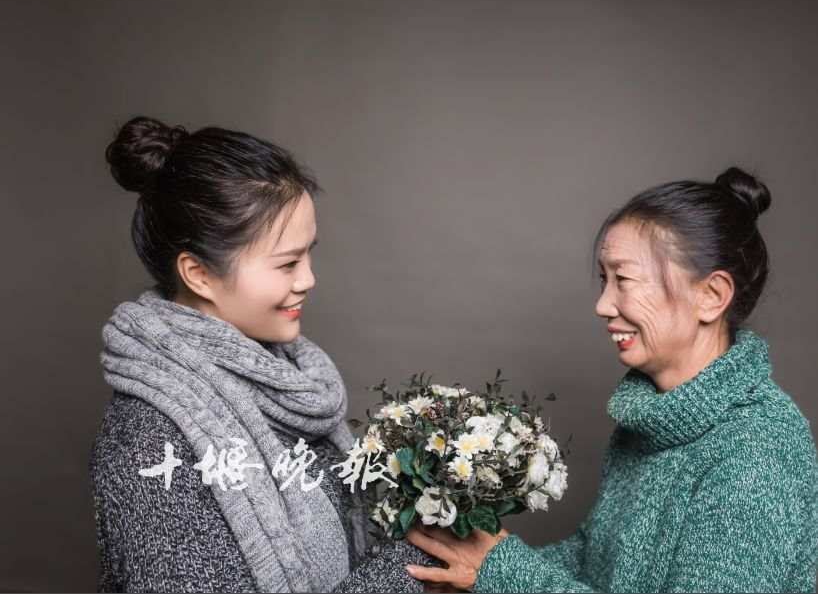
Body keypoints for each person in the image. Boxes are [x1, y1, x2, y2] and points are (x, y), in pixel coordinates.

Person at [406, 167, 818, 592]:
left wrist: (501, 571)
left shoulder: (760, 447)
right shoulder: (650, 419)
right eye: (605, 280)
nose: (603, 305)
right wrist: (468, 571)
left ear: (711, 296)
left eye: (624, 280)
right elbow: (594, 559)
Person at [90, 116, 435, 593]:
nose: (308, 279)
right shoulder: (150, 440)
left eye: (308, 255)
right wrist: (421, 559)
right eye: (287, 263)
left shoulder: (289, 383)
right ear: (199, 275)